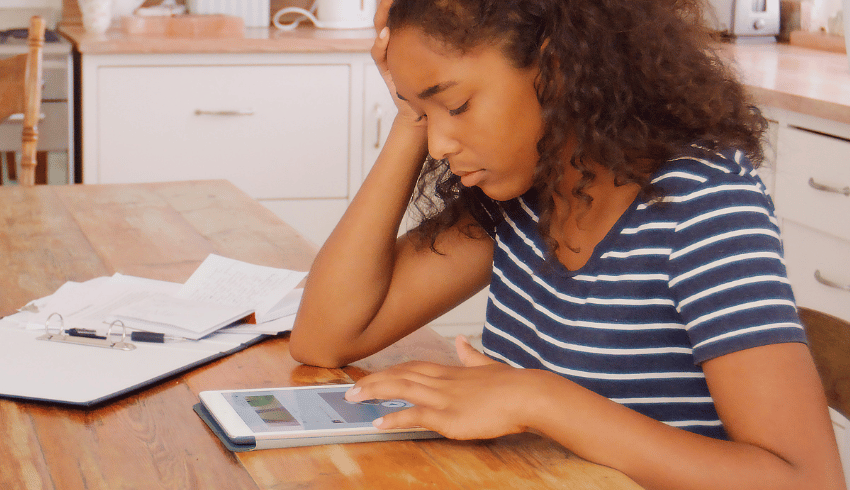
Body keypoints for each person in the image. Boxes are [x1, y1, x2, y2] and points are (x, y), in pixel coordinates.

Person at [289, 0, 845, 488]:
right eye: (424, 113)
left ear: (555, 68)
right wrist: (412, 112)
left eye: (455, 106)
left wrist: (538, 399)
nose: (438, 144)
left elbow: (809, 481)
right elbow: (325, 337)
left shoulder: (701, 206)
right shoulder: (532, 190)